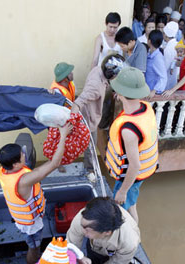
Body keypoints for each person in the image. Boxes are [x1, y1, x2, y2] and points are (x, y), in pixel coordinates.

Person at [0, 122, 72, 264]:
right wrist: (63, 135)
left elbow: (34, 172)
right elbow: (55, 163)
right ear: (16, 164)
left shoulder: (4, 170)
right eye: (22, 155)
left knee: (33, 245)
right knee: (34, 249)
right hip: (31, 225)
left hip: (22, 219)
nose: (25, 154)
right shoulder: (24, 181)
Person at [105, 67, 158, 224]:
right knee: (131, 205)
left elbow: (134, 165)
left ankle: (133, 237)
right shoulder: (145, 108)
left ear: (120, 94)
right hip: (141, 174)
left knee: (124, 209)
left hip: (130, 178)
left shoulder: (129, 130)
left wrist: (122, 191)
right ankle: (136, 233)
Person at [71, 54, 125, 181]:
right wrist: (71, 122)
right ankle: (90, 170)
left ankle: (90, 167)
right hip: (88, 119)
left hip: (93, 114)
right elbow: (78, 102)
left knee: (91, 145)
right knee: (91, 146)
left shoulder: (99, 69)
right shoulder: (95, 87)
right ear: (111, 75)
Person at [145, 30, 168, 98]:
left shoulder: (157, 58)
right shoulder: (150, 54)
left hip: (153, 93)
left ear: (149, 41)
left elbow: (163, 77)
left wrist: (154, 90)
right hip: (147, 89)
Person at [163, 21, 179, 90]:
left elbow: (164, 68)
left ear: (166, 35)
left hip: (167, 82)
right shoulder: (178, 45)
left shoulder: (168, 49)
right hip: (174, 79)